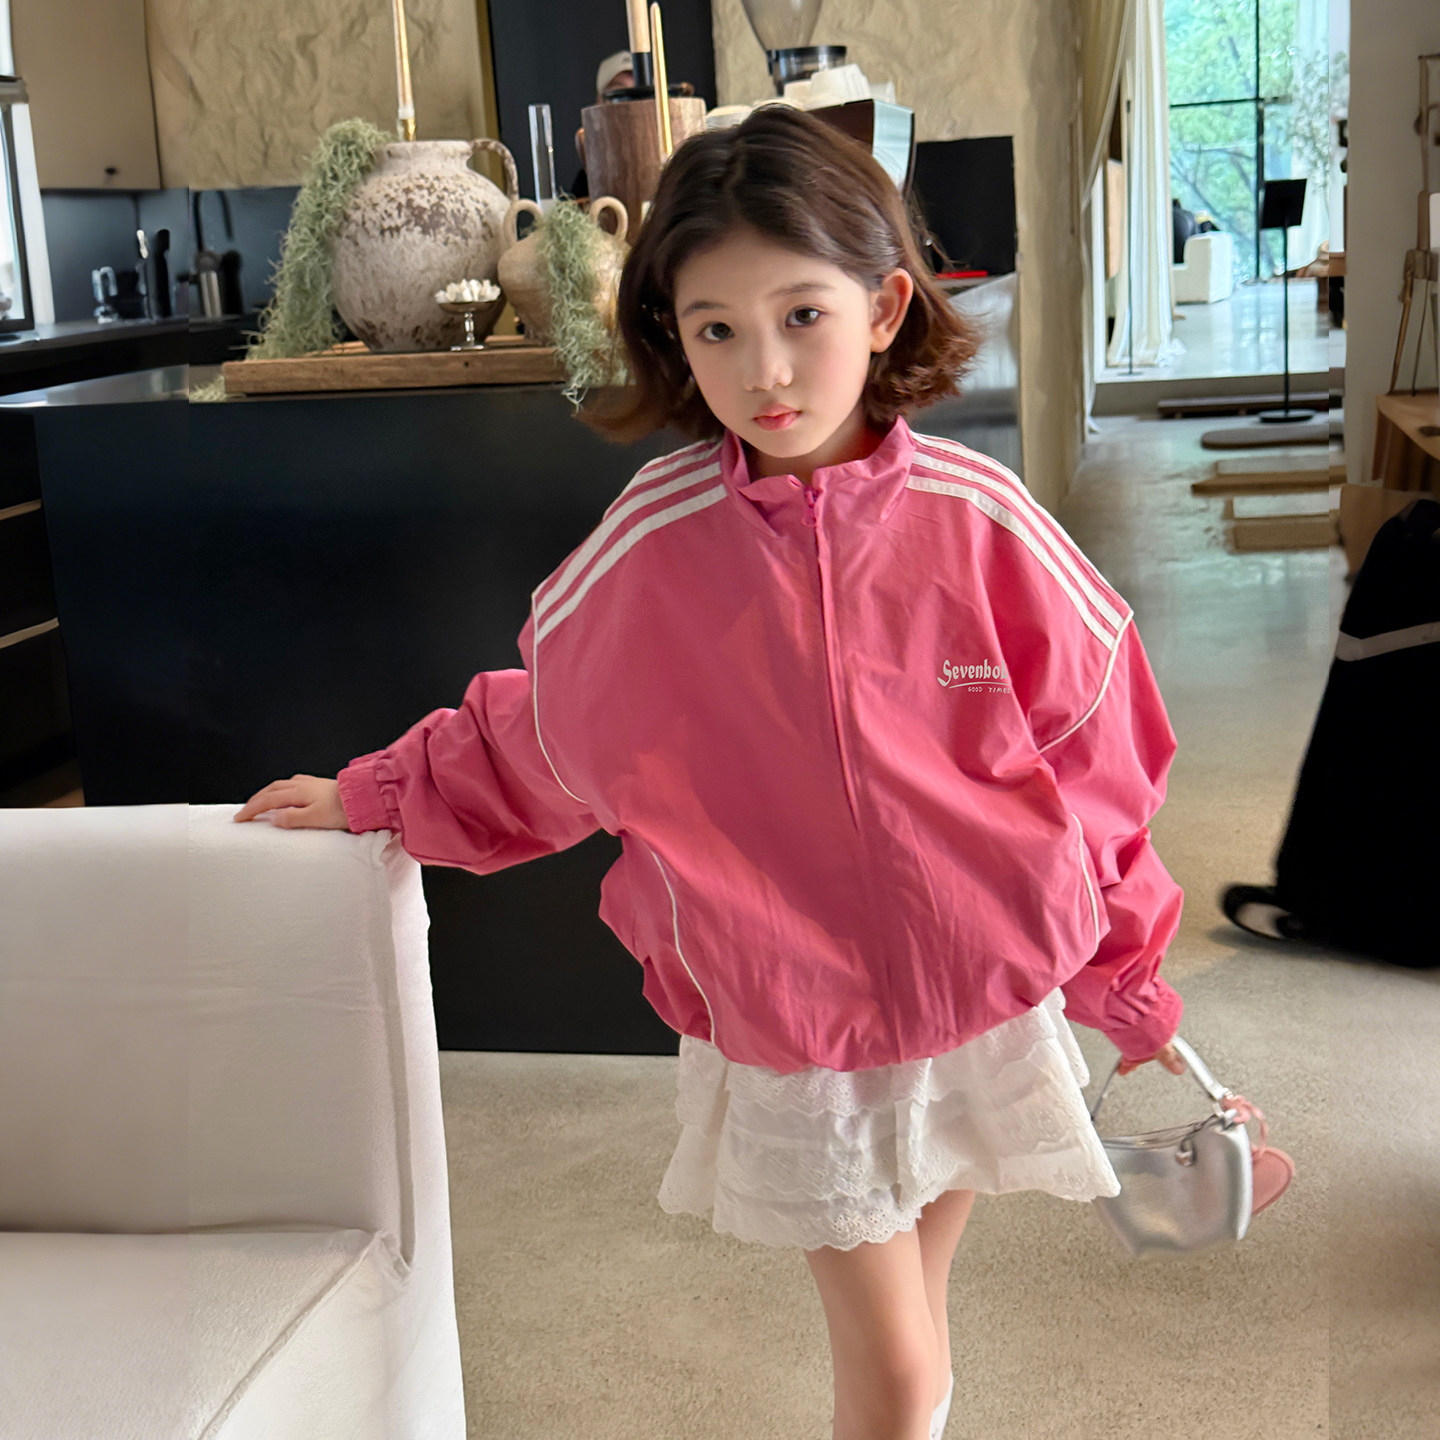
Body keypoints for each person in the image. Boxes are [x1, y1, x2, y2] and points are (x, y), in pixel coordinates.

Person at [235, 105, 1187, 1440]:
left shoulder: (984, 525)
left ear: (885, 307)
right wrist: (383, 791)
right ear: (672, 336)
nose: (766, 371)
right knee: (897, 1374)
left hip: (976, 994)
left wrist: (1126, 974)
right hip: (790, 1011)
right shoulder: (654, 543)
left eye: (803, 315)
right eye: (717, 329)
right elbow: (547, 734)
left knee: (921, 1337)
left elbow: (1101, 767)